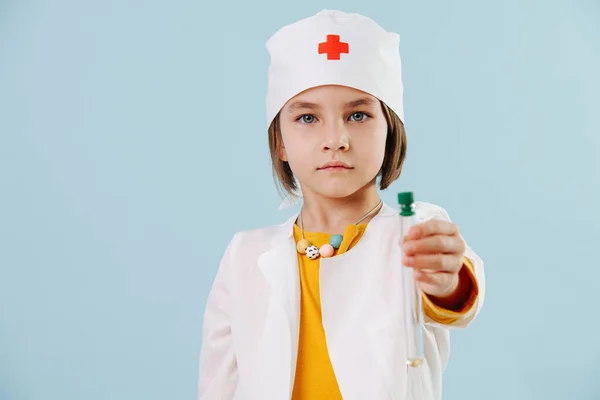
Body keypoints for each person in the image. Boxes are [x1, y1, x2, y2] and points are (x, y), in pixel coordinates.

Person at [197, 9, 485, 400]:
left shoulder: (413, 230)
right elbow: (220, 383)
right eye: (308, 118)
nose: (336, 139)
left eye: (358, 115)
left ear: (390, 131)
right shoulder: (244, 257)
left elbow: (454, 291)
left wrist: (447, 280)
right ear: (280, 142)